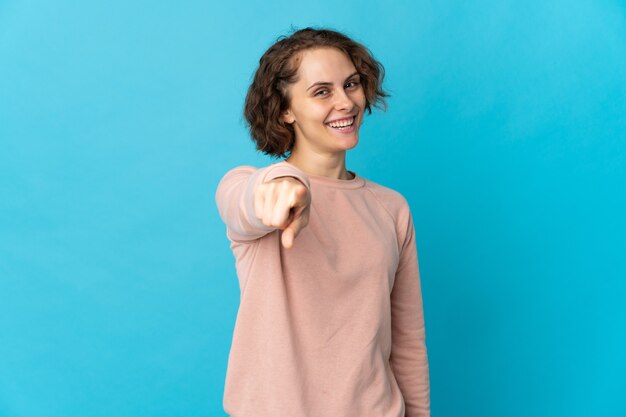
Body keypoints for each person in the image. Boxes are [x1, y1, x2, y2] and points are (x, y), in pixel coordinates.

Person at [215, 27, 430, 417]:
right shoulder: (261, 194)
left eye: (351, 85)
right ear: (285, 109)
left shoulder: (391, 208)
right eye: (321, 91)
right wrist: (286, 183)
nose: (346, 103)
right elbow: (239, 198)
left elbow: (408, 340)